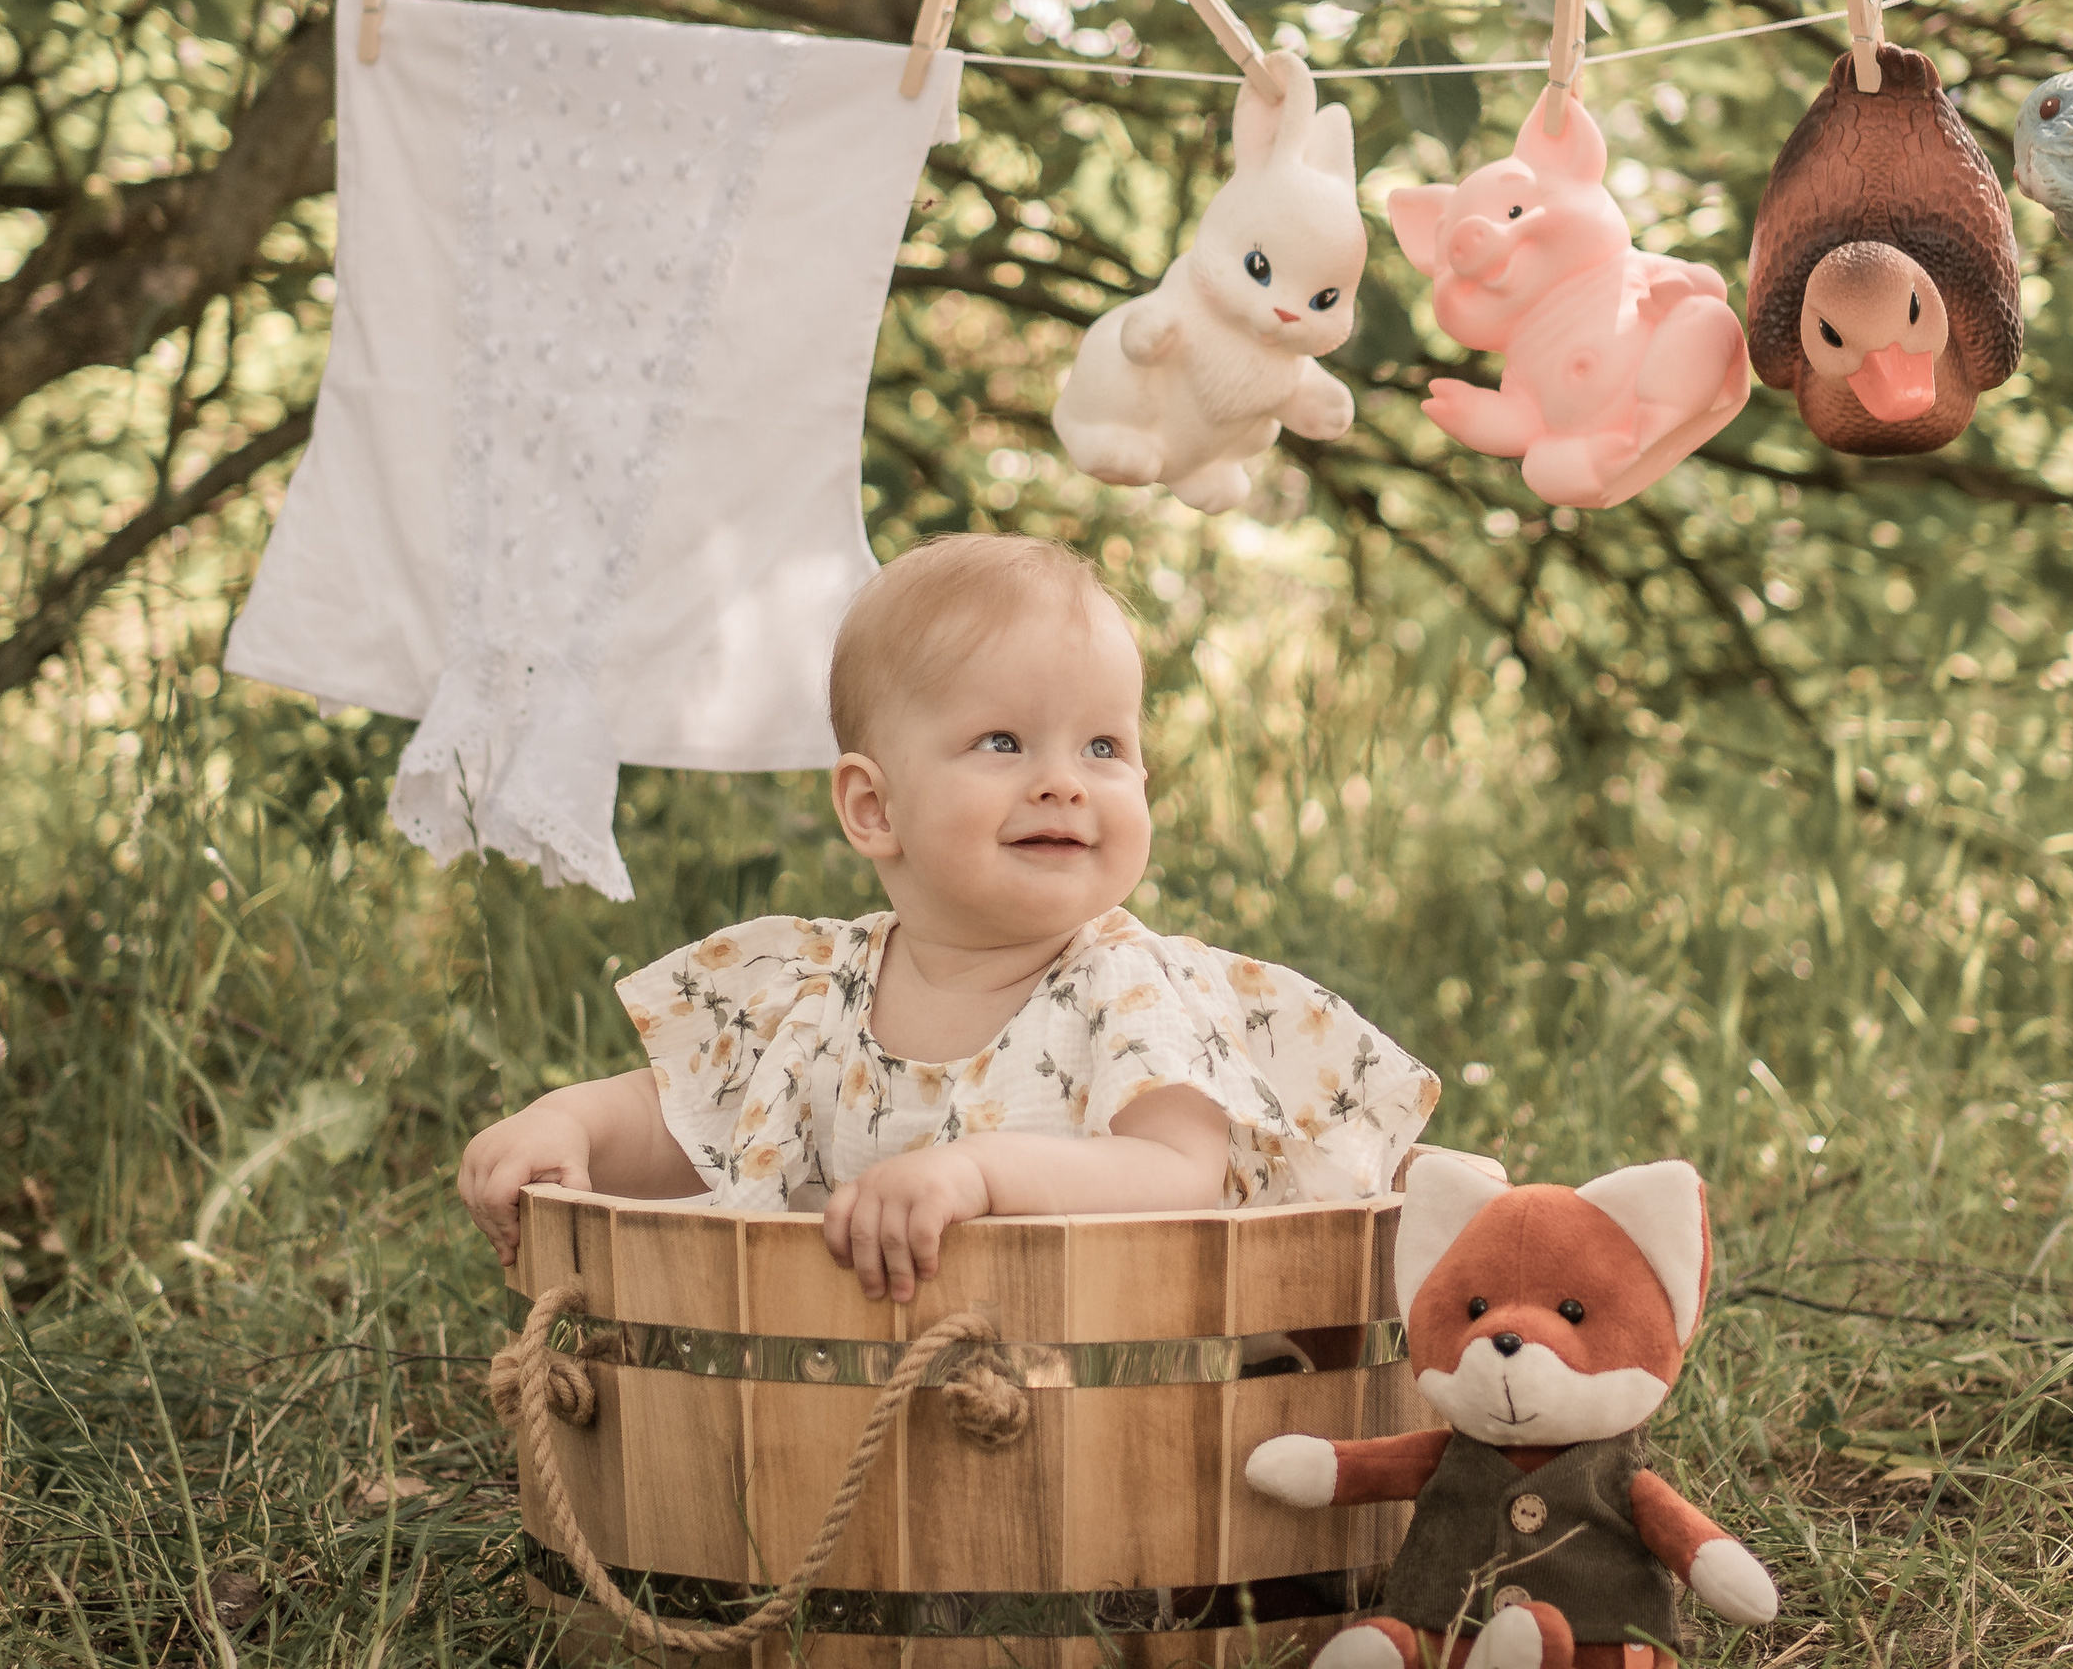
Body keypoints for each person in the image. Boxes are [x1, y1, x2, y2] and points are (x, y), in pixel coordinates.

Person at [459, 534, 1437, 1300]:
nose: (1063, 782)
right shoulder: (816, 989)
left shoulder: (1124, 989)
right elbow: (690, 1120)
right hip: (861, 1401)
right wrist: (570, 1121)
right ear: (873, 808)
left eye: (1103, 744)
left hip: (1109, 1394)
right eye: (1002, 741)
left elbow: (1175, 1171)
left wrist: (980, 1177)